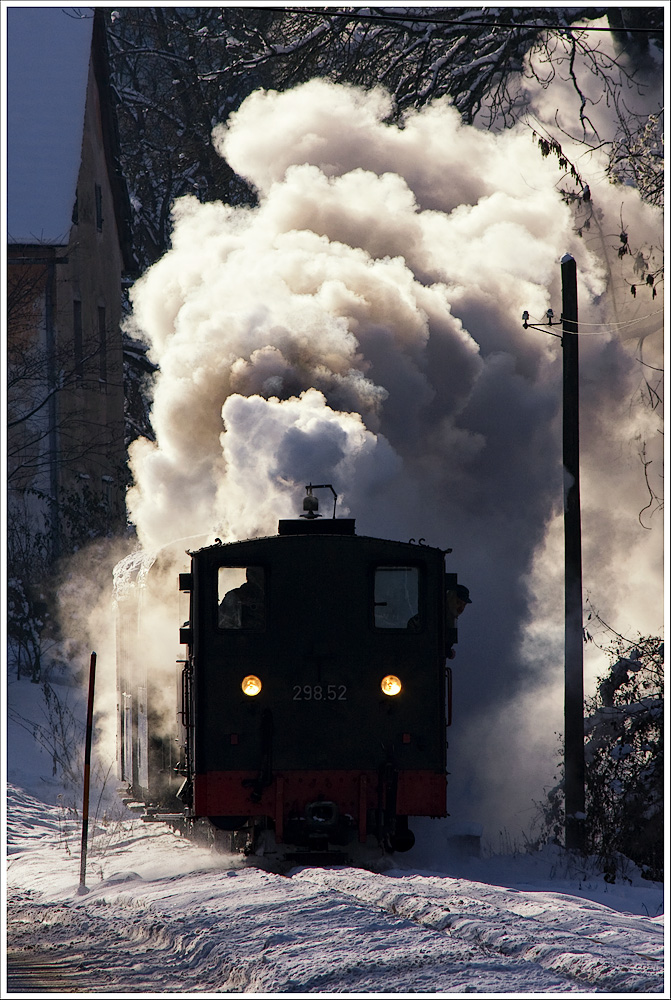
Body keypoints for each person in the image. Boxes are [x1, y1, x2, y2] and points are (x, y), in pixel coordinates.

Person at [446, 583, 471, 659]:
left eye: (464, 605)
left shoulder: (450, 621)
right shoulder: (434, 617)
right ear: (450, 599)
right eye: (458, 602)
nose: (461, 608)